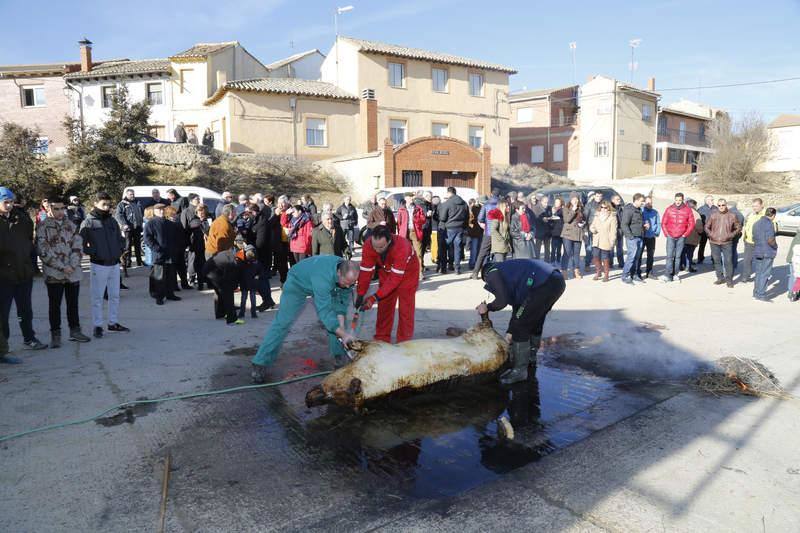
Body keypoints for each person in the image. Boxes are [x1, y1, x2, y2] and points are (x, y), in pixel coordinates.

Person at [251, 257, 360, 382]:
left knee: (337, 324)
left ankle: (339, 356)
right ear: (339, 273)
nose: (348, 286)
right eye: (346, 282)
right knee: (282, 323)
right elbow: (324, 312)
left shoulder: (346, 277)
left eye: (352, 284)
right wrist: (343, 333)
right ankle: (259, 363)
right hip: (297, 283)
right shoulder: (323, 277)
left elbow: (341, 304)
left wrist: (342, 332)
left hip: (326, 283)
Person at [476, 259, 566, 384]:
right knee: (535, 319)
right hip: (556, 281)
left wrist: (487, 307)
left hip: (543, 284)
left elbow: (502, 301)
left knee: (521, 326)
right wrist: (509, 331)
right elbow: (518, 310)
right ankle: (530, 357)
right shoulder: (511, 273)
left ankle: (519, 371)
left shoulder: (491, 272)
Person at [37, 198, 91, 347]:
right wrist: (62, 267)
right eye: (56, 209)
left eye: (62, 209)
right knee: (55, 306)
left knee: (72, 304)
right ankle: (56, 334)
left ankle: (75, 331)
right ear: (49, 209)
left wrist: (72, 265)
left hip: (72, 273)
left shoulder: (71, 225)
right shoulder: (43, 226)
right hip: (54, 273)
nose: (60, 212)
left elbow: (78, 246)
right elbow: (43, 250)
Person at [0, 187, 47, 356]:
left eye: (11, 201)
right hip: (4, 277)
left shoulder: (21, 219)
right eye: (5, 202)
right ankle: (3, 348)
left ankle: (29, 338)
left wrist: (30, 264)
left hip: (23, 273)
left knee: (26, 310)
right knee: (2, 315)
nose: (9, 205)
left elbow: (29, 240)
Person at [355, 226, 420, 343]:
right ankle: (382, 338)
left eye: (380, 247)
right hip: (386, 270)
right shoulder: (369, 245)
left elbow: (394, 280)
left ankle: (405, 342)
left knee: (406, 308)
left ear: (389, 241)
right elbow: (366, 270)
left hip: (408, 273)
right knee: (384, 305)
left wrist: (374, 297)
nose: (376, 250)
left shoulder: (402, 246)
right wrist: (360, 293)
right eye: (374, 246)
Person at [79, 191, 129, 338]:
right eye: (103, 204)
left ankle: (113, 322)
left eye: (108, 204)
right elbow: (80, 243)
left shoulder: (112, 221)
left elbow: (120, 239)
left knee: (114, 295)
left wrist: (120, 249)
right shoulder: (88, 222)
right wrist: (93, 252)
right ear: (95, 204)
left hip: (114, 263)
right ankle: (98, 325)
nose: (107, 207)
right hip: (99, 264)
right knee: (97, 297)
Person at [143, 203, 180, 305]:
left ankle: (170, 294)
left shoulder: (170, 223)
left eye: (163, 209)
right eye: (159, 210)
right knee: (159, 277)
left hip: (170, 253)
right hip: (159, 254)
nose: (161, 211)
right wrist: (157, 249)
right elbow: (147, 238)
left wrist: (174, 249)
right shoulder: (150, 223)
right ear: (154, 211)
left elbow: (175, 238)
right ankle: (159, 296)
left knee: (171, 275)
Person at [202, 241, 243, 325]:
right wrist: (234, 287)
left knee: (219, 292)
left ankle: (220, 313)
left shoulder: (228, 253)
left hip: (208, 270)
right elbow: (230, 278)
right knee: (228, 294)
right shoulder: (232, 261)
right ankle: (232, 319)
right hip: (213, 272)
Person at [704, 198, 741, 288]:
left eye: (723, 205)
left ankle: (729, 280)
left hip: (727, 242)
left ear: (726, 205)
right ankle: (720, 278)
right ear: (717, 206)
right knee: (717, 261)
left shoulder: (732, 215)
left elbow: (738, 227)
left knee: (728, 261)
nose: (721, 207)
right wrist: (711, 235)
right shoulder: (713, 215)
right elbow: (706, 227)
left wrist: (730, 235)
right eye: (719, 205)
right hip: (714, 242)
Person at [660, 193, 695, 283]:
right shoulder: (669, 209)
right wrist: (666, 234)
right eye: (676, 200)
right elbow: (663, 223)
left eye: (680, 200)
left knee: (678, 257)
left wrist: (685, 234)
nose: (678, 202)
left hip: (681, 237)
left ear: (682, 200)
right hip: (670, 236)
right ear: (674, 200)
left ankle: (675, 274)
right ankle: (668, 275)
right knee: (669, 256)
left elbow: (692, 224)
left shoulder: (688, 210)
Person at [437, 187, 469, 274]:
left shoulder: (447, 203)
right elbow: (467, 217)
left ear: (448, 193)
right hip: (459, 228)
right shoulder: (464, 203)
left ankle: (443, 268)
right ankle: (457, 269)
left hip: (449, 228)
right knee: (457, 249)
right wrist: (464, 227)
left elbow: (442, 218)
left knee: (444, 248)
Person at [751, 207, 778, 302]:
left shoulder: (756, 223)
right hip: (767, 252)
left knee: (758, 273)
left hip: (758, 250)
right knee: (765, 274)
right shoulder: (769, 224)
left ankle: (755, 292)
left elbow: (753, 237)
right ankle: (761, 294)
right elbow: (770, 239)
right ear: (773, 215)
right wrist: (775, 246)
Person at [619, 194, 646, 284]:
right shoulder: (629, 210)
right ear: (636, 200)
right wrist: (630, 236)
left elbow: (636, 223)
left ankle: (634, 275)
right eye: (642, 201)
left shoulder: (639, 210)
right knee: (631, 257)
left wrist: (644, 226)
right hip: (632, 238)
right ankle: (625, 276)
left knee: (637, 258)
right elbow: (624, 224)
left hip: (640, 236)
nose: (643, 203)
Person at [589, 200, 618, 282]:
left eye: (605, 208)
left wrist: (612, 242)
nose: (603, 209)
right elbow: (592, 226)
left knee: (605, 258)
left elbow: (613, 231)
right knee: (595, 256)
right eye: (602, 207)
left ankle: (606, 275)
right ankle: (598, 271)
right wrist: (592, 230)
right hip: (597, 239)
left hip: (606, 240)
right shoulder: (597, 216)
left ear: (609, 208)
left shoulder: (612, 217)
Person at [115, 188, 145, 268]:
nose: (132, 196)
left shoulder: (138, 202)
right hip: (128, 228)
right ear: (126, 195)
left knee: (137, 245)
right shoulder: (122, 204)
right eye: (130, 194)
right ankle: (128, 262)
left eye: (133, 194)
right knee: (128, 246)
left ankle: (139, 261)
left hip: (137, 227)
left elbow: (141, 213)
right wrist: (124, 224)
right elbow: (118, 215)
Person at [741, 198, 765, 283]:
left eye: (756, 206)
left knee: (760, 261)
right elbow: (747, 226)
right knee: (747, 260)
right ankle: (745, 276)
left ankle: (760, 277)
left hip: (760, 243)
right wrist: (745, 236)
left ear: (762, 205)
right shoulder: (751, 214)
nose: (754, 208)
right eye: (753, 206)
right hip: (749, 241)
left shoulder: (765, 215)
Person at [187, 204, 210, 290]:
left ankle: (209, 282)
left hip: (207, 246)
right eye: (199, 212)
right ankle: (200, 284)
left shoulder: (208, 220)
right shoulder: (194, 221)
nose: (201, 214)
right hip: (197, 247)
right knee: (199, 265)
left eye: (203, 212)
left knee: (208, 265)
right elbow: (192, 230)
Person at [238, 245, 264, 319]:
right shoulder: (242, 261)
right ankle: (244, 312)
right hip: (246, 282)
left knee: (249, 298)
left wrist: (258, 276)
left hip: (251, 282)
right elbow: (239, 272)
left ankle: (251, 313)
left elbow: (261, 271)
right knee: (245, 298)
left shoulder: (256, 262)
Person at [561, 195, 584, 279]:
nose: (575, 201)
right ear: (570, 200)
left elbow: (583, 218)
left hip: (578, 233)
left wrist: (583, 223)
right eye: (573, 199)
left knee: (576, 254)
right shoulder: (566, 208)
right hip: (568, 234)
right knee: (567, 253)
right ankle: (564, 271)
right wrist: (573, 210)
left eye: (577, 199)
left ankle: (576, 271)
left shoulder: (581, 208)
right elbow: (566, 220)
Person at [679, 199, 704, 274]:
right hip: (692, 237)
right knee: (690, 253)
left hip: (682, 235)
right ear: (694, 205)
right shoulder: (696, 214)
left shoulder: (682, 211)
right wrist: (702, 231)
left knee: (683, 251)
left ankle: (681, 265)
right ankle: (688, 267)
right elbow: (699, 227)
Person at [640, 196, 661, 279]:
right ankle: (637, 271)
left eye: (651, 202)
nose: (649, 204)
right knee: (639, 255)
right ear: (644, 203)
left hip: (651, 237)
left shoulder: (655, 212)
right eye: (647, 202)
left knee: (650, 255)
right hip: (642, 236)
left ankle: (649, 272)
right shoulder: (641, 211)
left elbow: (658, 223)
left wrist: (657, 232)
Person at [582, 191, 603, 270]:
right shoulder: (589, 205)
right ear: (594, 196)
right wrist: (585, 230)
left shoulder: (603, 205)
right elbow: (585, 218)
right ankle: (587, 264)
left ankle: (598, 266)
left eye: (600, 196)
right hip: (591, 229)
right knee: (589, 248)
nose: (599, 198)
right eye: (597, 196)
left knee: (599, 248)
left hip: (601, 230)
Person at [697, 195, 716, 264]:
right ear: (706, 201)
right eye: (710, 200)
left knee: (713, 246)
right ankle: (700, 258)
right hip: (703, 231)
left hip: (713, 231)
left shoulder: (716, 209)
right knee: (702, 245)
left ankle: (714, 259)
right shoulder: (700, 209)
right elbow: (697, 219)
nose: (712, 201)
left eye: (712, 199)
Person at [531, 196, 552, 261]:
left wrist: (550, 218)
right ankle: (537, 261)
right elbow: (534, 219)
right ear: (541, 202)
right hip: (539, 231)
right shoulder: (536, 208)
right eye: (545, 202)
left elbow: (550, 216)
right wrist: (542, 219)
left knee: (547, 248)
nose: (546, 204)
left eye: (547, 202)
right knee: (538, 248)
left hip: (547, 231)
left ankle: (547, 261)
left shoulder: (549, 208)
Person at [728, 200, 745, 273]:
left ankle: (730, 267)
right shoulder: (740, 214)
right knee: (734, 249)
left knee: (728, 251)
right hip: (737, 235)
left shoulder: (729, 213)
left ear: (729, 206)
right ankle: (734, 264)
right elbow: (741, 225)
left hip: (730, 235)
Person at [467, 198, 484, 271]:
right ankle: (474, 263)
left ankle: (473, 263)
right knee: (476, 248)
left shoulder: (474, 209)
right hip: (478, 231)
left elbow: (470, 222)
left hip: (476, 231)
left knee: (475, 248)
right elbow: (470, 222)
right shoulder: (476, 209)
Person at [549, 197, 564, 267]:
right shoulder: (552, 209)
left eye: (558, 202)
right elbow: (551, 221)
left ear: (561, 203)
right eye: (556, 202)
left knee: (559, 248)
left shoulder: (562, 210)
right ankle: (552, 261)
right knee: (553, 248)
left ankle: (558, 260)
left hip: (560, 232)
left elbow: (561, 217)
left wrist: (554, 214)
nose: (556, 203)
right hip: (554, 232)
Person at [786, 232, 800, 301]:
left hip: (793, 259)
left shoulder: (798, 235)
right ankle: (793, 293)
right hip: (796, 260)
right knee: (796, 277)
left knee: (793, 276)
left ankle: (792, 292)